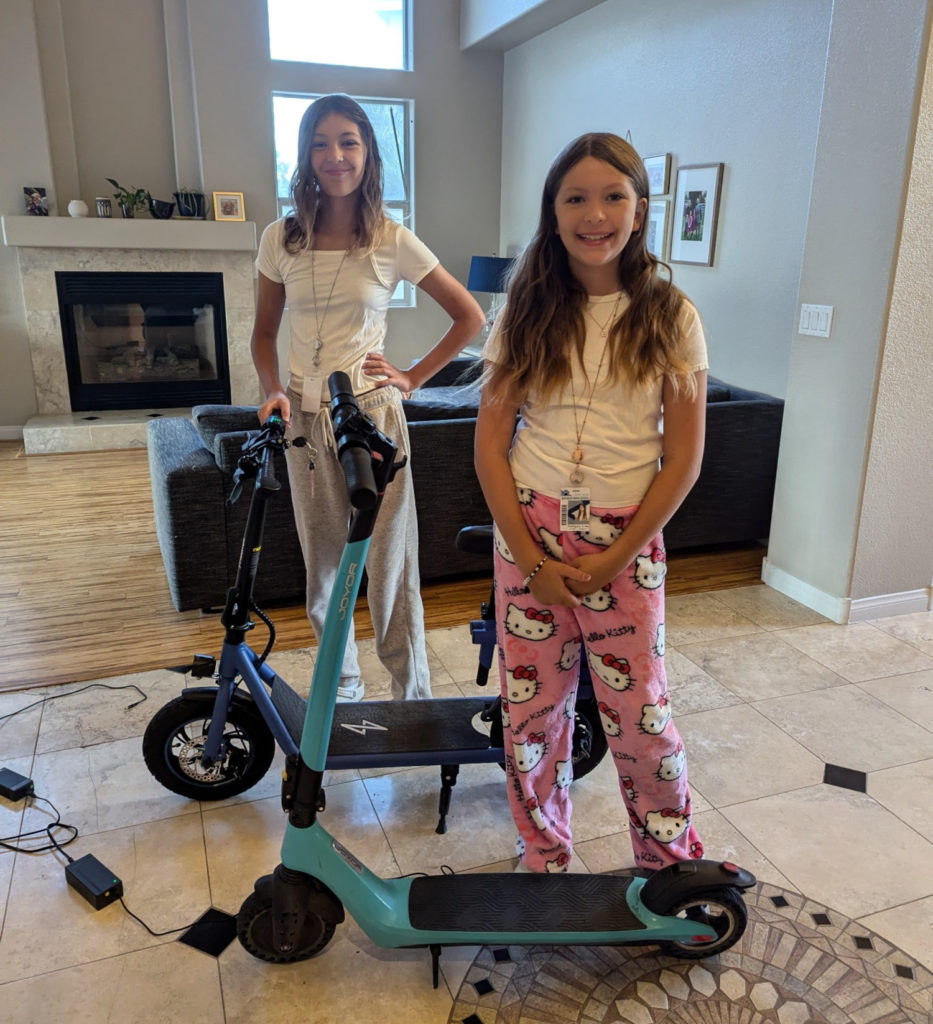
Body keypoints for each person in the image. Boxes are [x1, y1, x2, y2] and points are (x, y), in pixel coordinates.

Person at [475, 132, 708, 873]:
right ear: (552, 212)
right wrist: (530, 557)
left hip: (626, 540)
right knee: (532, 717)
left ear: (639, 211)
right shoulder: (526, 309)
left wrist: (616, 555)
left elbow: (684, 460)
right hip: (529, 532)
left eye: (613, 195)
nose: (594, 213)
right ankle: (541, 854)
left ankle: (668, 862)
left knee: (640, 718)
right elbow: (488, 445)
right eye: (574, 197)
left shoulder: (671, 315)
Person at [251, 93, 485, 702]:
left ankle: (412, 695)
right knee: (323, 567)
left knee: (388, 566)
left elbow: (469, 317)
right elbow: (263, 333)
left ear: (367, 153)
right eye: (321, 142)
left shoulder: (391, 238)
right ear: (305, 155)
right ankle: (341, 687)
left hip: (373, 419)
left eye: (348, 142)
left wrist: (411, 376)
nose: (335, 155)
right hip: (304, 419)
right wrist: (273, 388)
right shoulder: (282, 238)